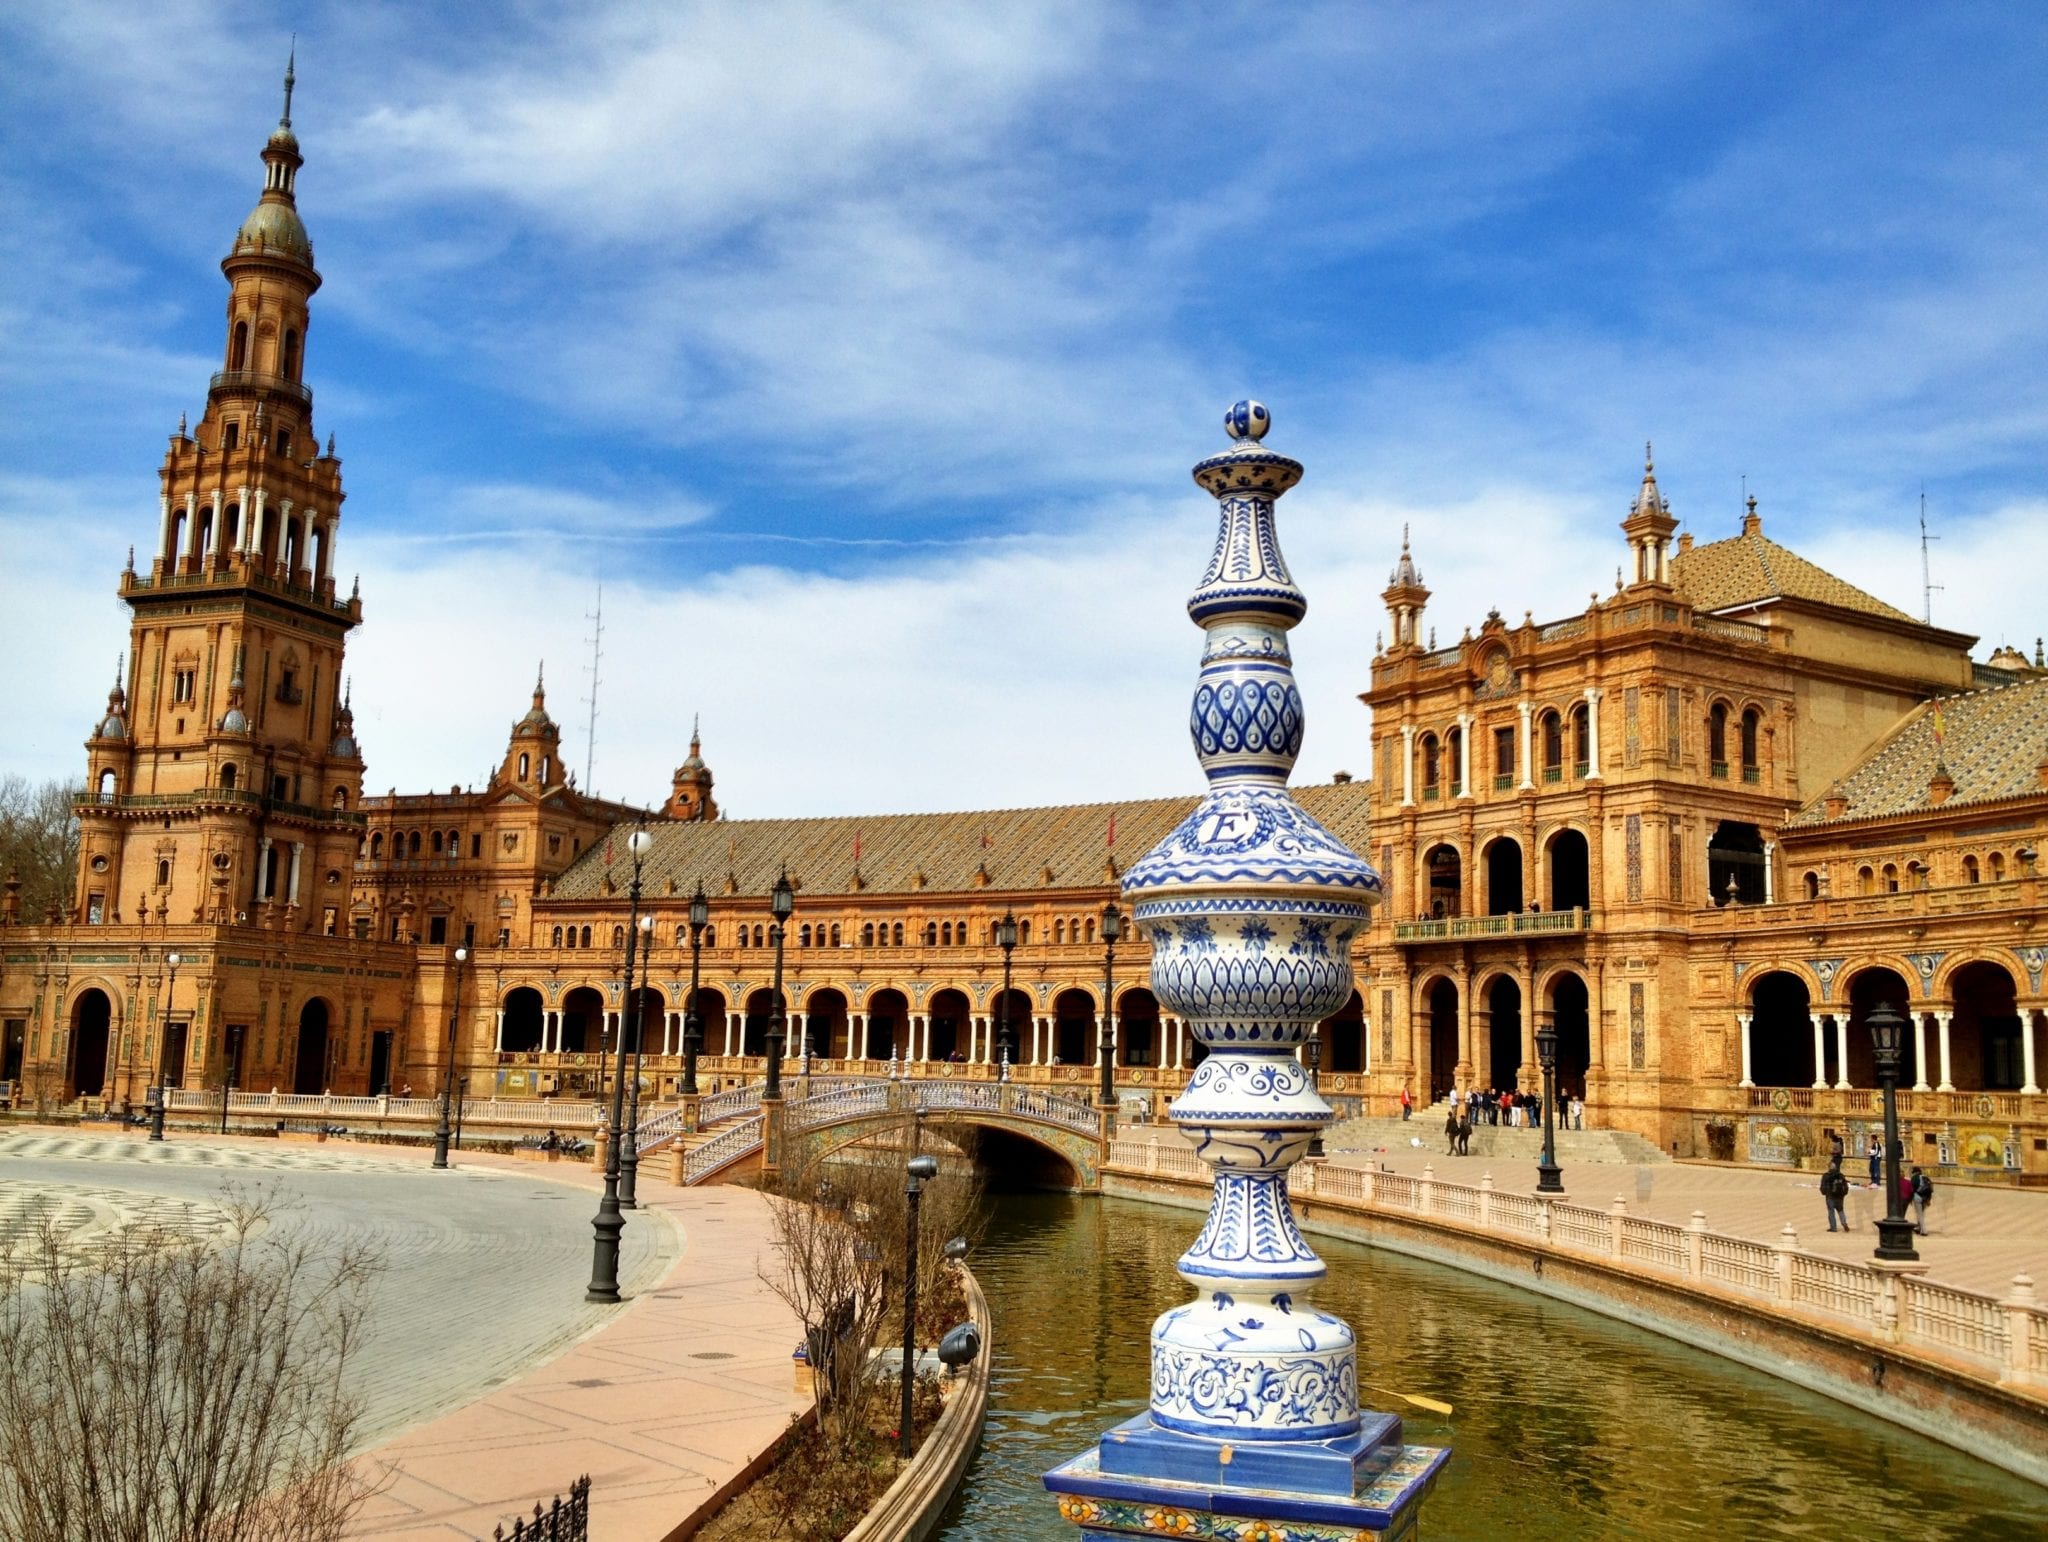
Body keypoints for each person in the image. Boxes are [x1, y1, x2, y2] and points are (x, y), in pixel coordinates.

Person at [1821, 1159, 1850, 1232]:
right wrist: (1844, 1194)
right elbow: (1846, 1186)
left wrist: (1824, 1192)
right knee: (1840, 1210)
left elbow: (1823, 1187)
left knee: (1831, 1212)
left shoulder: (1826, 1176)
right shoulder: (1841, 1175)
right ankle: (1844, 1223)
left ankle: (1833, 1228)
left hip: (1830, 1196)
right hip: (1840, 1196)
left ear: (1829, 1168)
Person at [1911, 1167, 1933, 1234]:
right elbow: (1930, 1190)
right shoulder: (1926, 1177)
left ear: (1915, 1172)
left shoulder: (1914, 1178)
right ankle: (1918, 1227)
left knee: (1919, 1214)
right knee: (1921, 1213)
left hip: (1917, 1196)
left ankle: (1924, 1231)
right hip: (1925, 1197)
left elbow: (1911, 1189)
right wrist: (1929, 1199)